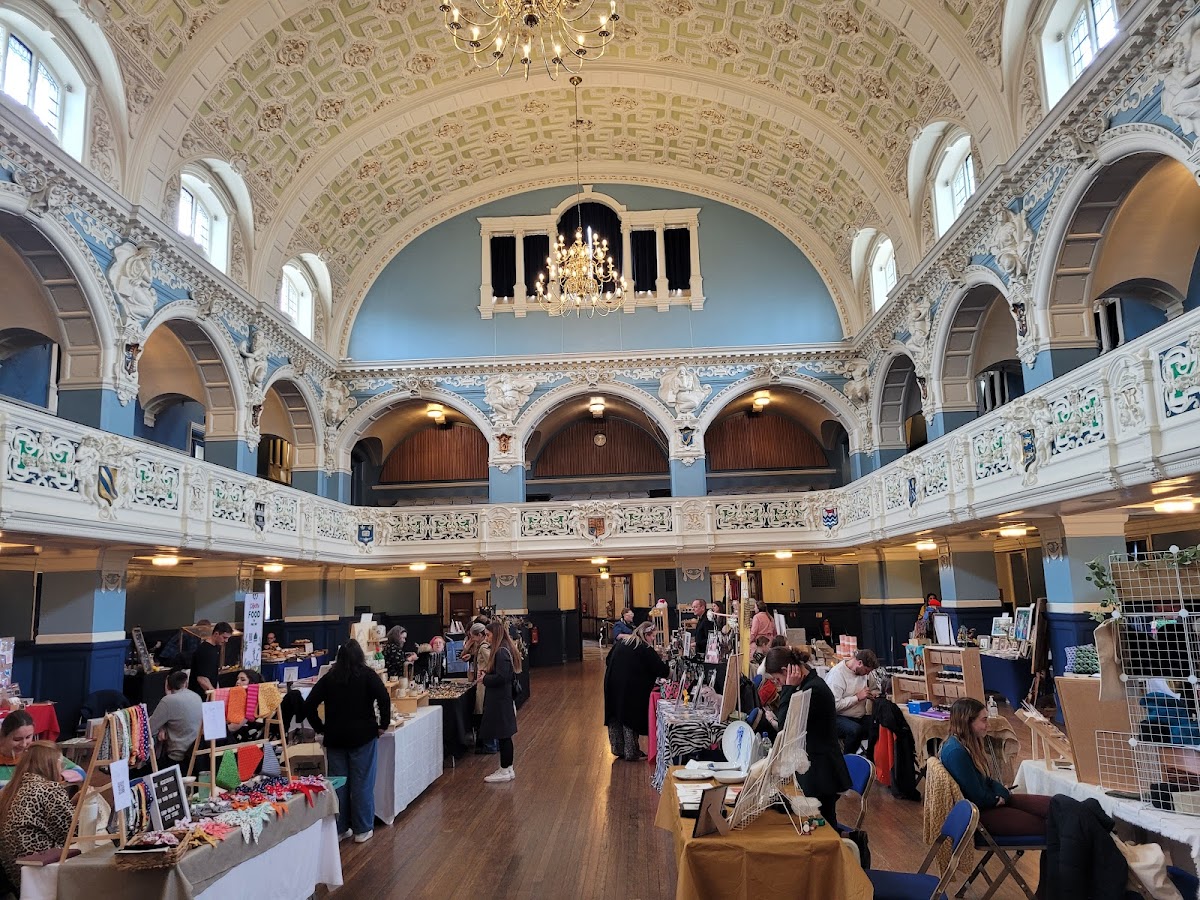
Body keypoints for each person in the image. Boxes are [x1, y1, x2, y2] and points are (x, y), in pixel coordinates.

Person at [305, 640, 390, 844]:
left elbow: (309, 705)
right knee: (362, 783)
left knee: (338, 785)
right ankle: (362, 828)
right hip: (363, 736)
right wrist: (383, 725)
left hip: (335, 738)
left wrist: (320, 727)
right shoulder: (368, 675)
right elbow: (384, 698)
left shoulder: (330, 677)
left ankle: (340, 828)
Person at [762, 646, 851, 825]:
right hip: (816, 768)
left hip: (821, 772)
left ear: (786, 671)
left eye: (778, 680)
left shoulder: (814, 690)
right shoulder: (808, 685)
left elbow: (785, 726)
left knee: (823, 827)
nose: (778, 684)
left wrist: (787, 688)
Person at [941, 698, 1051, 836]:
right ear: (968, 722)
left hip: (988, 804)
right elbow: (979, 799)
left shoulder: (961, 746)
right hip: (980, 815)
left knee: (1054, 805)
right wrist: (1000, 796)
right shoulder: (957, 752)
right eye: (984, 720)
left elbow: (984, 780)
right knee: (1051, 824)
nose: (988, 725)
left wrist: (1001, 792)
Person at [0, 742, 75, 889]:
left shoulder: (11, 791)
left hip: (20, 877)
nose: (62, 771)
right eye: (61, 765)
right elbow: (73, 833)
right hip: (45, 874)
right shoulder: (48, 790)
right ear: (51, 764)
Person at [603, 621, 669, 761]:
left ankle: (618, 748)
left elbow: (608, 660)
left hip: (612, 682)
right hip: (630, 687)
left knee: (616, 713)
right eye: (652, 636)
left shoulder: (623, 643)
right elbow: (662, 670)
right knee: (629, 716)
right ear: (646, 635)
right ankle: (631, 751)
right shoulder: (644, 648)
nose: (653, 640)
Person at [479, 619, 522, 783]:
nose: (486, 638)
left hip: (500, 699)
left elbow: (502, 677)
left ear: (495, 635)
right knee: (505, 735)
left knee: (504, 735)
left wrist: (485, 679)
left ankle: (505, 769)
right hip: (502, 698)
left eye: (488, 635)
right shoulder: (504, 649)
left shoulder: (501, 652)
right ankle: (507, 767)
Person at [0, 711, 83, 783]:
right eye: (17, 739)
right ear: (3, 736)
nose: (24, 744)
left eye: (28, 737)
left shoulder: (37, 752)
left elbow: (80, 772)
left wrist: (61, 776)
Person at [825, 649, 880, 753]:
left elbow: (868, 690)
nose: (867, 674)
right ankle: (847, 761)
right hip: (837, 717)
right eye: (866, 671)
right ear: (859, 663)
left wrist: (870, 695)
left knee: (879, 724)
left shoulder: (862, 672)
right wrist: (857, 698)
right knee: (855, 731)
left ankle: (871, 758)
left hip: (857, 716)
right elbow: (833, 705)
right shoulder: (837, 674)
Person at [149, 670, 202, 769]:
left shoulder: (168, 701)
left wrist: (161, 727)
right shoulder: (196, 697)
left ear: (167, 686)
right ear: (186, 683)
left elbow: (149, 728)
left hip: (178, 758)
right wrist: (163, 726)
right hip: (197, 754)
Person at [461, 623, 497, 754]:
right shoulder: (482, 647)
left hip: (483, 684)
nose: (473, 640)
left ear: (479, 635)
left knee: (485, 715)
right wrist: (472, 657)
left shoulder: (483, 648)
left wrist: (483, 672)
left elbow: (491, 662)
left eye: (474, 637)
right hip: (483, 682)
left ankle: (490, 745)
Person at [189, 622, 233, 698]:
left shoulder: (215, 648)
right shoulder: (205, 650)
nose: (226, 641)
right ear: (216, 634)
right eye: (224, 637)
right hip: (199, 694)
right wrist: (213, 693)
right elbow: (201, 678)